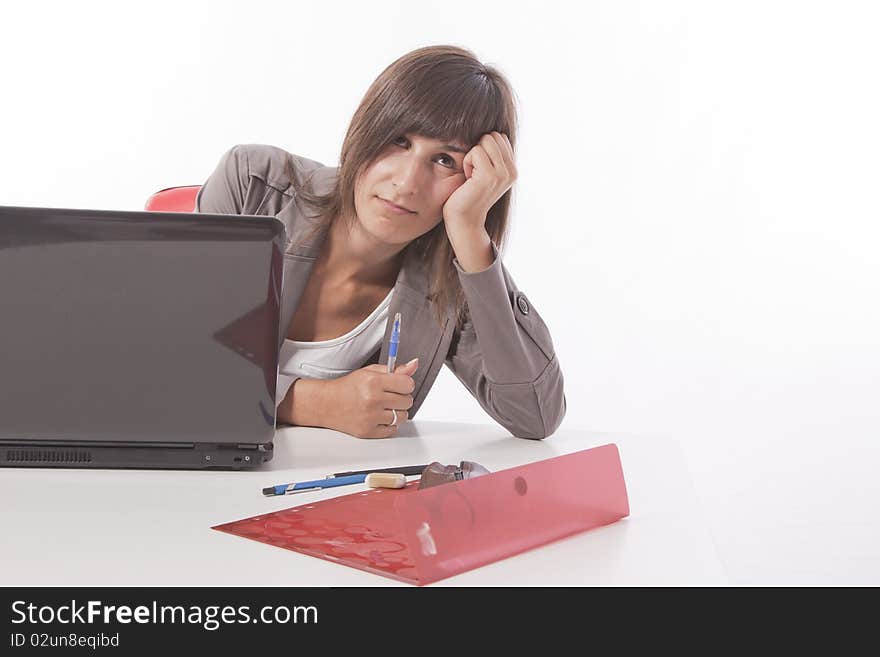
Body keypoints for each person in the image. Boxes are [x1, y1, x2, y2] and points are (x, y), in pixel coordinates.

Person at [195, 45, 565, 440]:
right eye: (400, 141)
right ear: (366, 129)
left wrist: (472, 236)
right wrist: (314, 402)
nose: (406, 183)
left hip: (334, 492)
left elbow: (534, 416)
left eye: (445, 161)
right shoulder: (253, 187)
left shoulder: (449, 281)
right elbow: (173, 362)